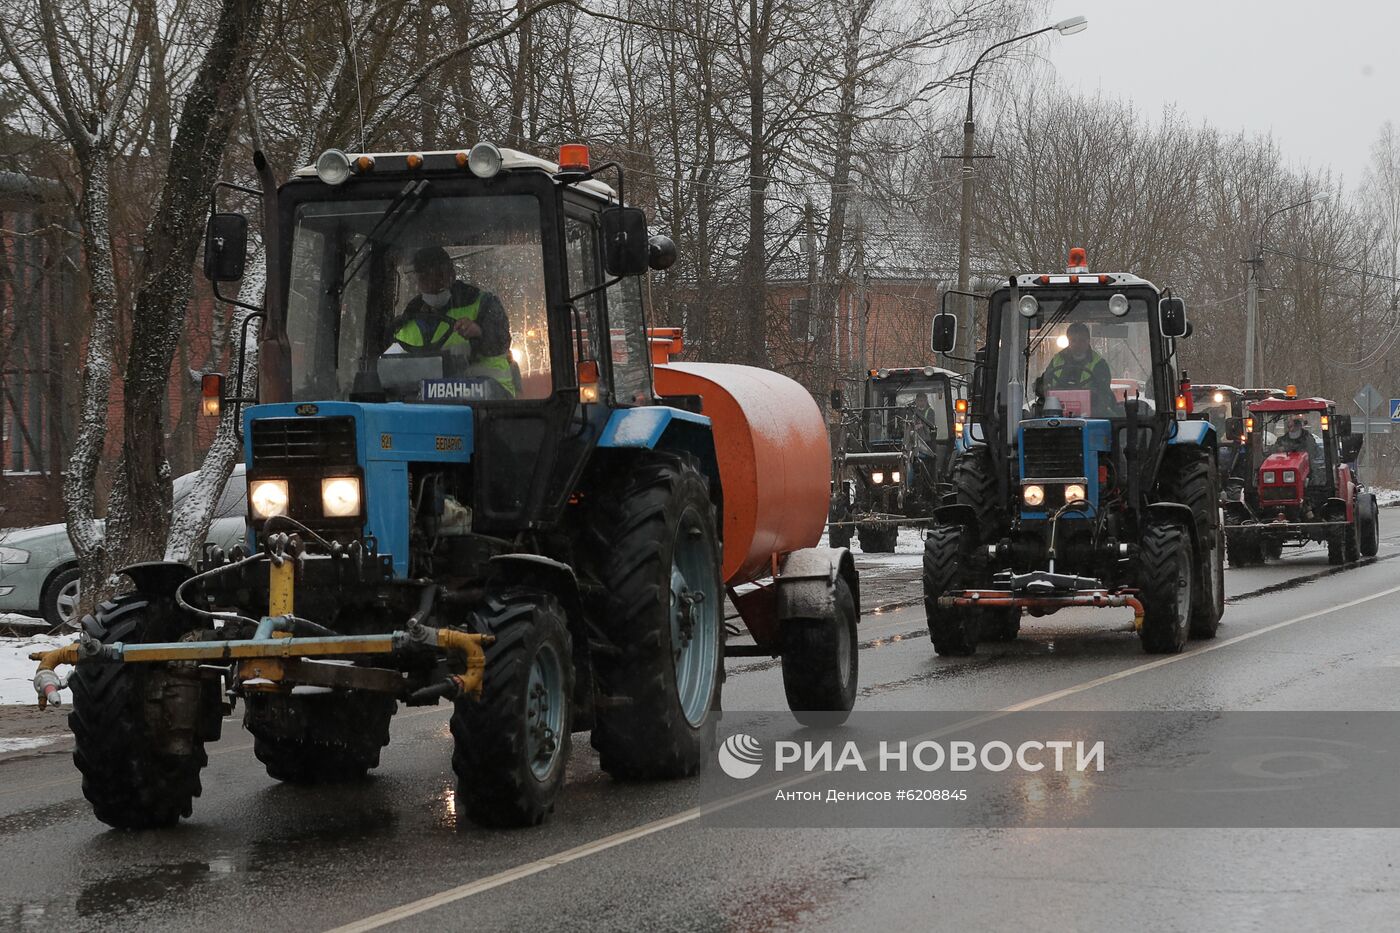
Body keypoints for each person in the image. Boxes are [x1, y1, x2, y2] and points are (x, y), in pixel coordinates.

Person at [388, 245, 515, 396]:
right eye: (425, 278)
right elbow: (391, 369)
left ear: (452, 274)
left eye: (439, 275)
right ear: (418, 281)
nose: (433, 284)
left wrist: (480, 333)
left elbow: (501, 342)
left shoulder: (482, 304)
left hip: (489, 398)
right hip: (425, 403)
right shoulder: (407, 321)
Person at [1039, 321, 1116, 416]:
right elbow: (1044, 381)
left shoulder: (1099, 364)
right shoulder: (1057, 359)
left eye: (1081, 340)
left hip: (1090, 415)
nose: (1077, 344)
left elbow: (1103, 394)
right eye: (1073, 340)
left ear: (1088, 341)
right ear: (1068, 341)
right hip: (1057, 413)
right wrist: (1043, 388)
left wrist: (1093, 408)